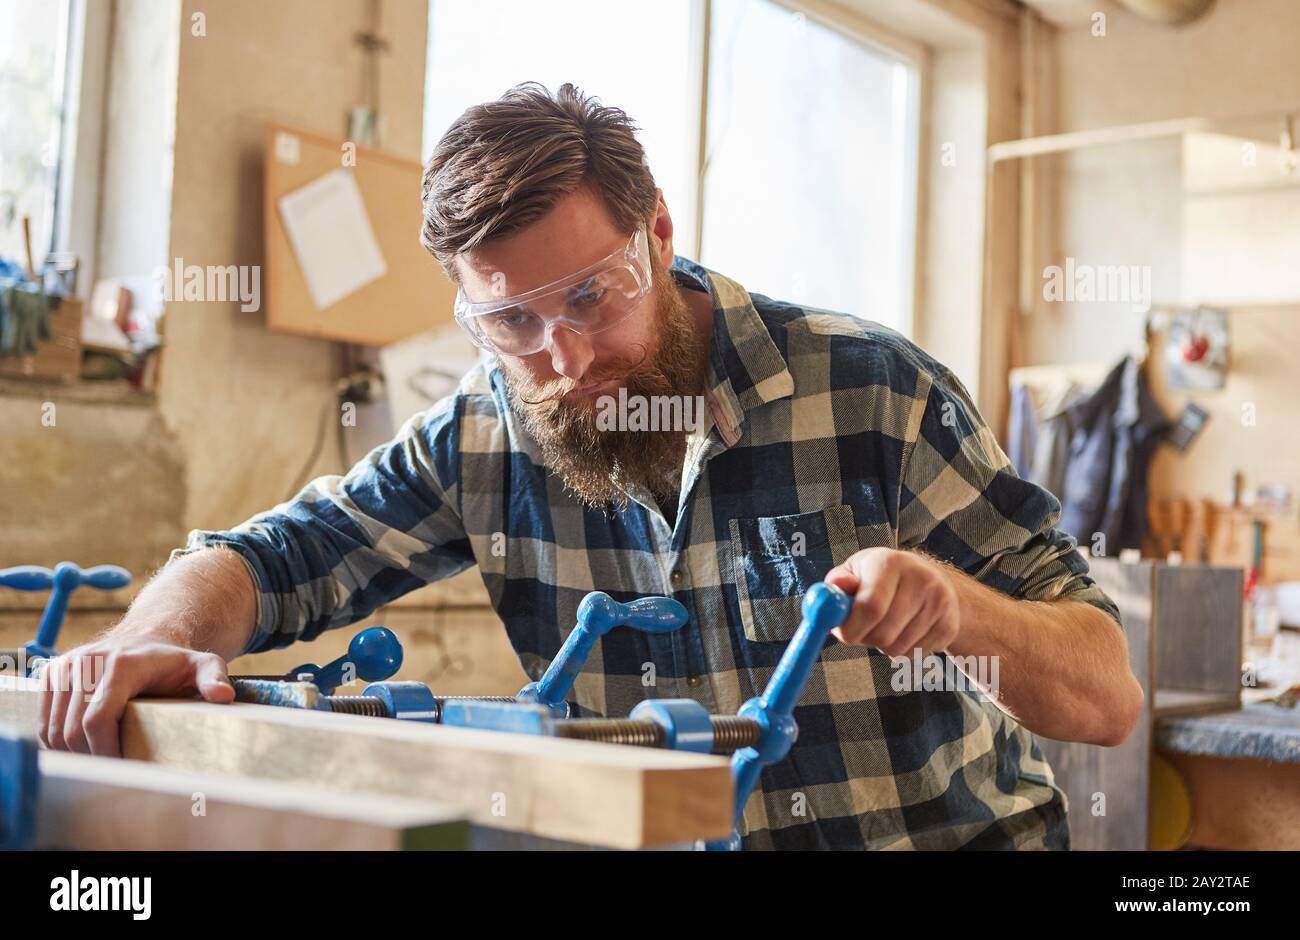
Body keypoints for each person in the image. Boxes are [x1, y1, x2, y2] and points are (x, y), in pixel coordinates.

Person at [38, 82, 1142, 849]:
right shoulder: (486, 431)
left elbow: (1104, 695)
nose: (561, 360)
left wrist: (960, 611)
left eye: (589, 296)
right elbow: (268, 559)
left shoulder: (875, 394)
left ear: (658, 233)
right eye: (509, 321)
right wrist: (145, 642)